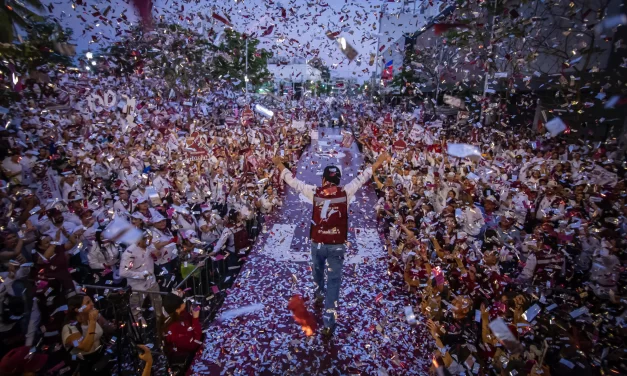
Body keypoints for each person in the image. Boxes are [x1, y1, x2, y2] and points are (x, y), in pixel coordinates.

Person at [271, 151, 391, 337]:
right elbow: (364, 176)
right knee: (334, 283)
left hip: (318, 243)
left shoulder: (315, 192)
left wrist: (279, 164)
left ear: (324, 179)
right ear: (338, 180)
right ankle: (329, 322)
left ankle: (318, 293)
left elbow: (292, 181)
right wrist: (380, 161)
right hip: (337, 245)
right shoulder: (346, 192)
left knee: (317, 272)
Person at [61, 294, 114, 376]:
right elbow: (85, 347)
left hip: (99, 359)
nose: (92, 304)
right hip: (84, 365)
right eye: (88, 302)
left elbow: (109, 328)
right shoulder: (69, 328)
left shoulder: (94, 318)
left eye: (91, 301)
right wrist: (92, 322)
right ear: (78, 309)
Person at [160, 293, 202, 367]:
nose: (184, 303)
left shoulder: (182, 314)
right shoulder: (174, 328)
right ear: (177, 309)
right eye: (182, 302)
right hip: (188, 359)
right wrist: (195, 318)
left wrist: (193, 314)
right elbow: (193, 345)